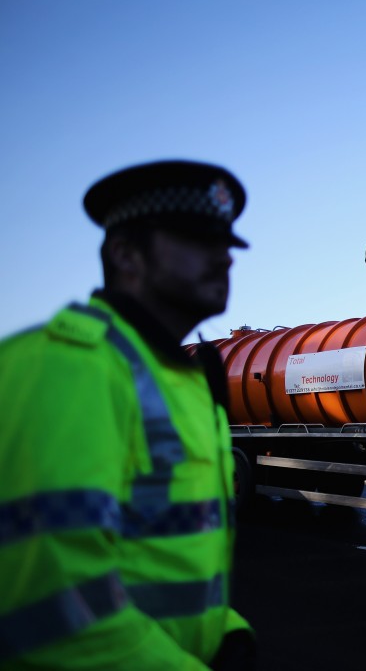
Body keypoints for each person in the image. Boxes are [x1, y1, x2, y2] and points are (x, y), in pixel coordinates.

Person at [0, 160, 256, 670]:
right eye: (197, 241)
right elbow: (52, 601)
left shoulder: (179, 380)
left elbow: (160, 555)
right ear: (125, 254)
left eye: (225, 244)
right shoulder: (66, 366)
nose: (224, 258)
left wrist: (226, 631)